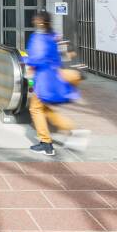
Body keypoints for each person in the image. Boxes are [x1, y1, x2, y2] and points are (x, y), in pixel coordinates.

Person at [24, 10, 90, 156]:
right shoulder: (53, 36)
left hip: (44, 79)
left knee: (35, 108)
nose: (34, 21)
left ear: (40, 21)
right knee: (45, 109)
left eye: (36, 19)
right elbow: (63, 55)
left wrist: (25, 61)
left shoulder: (37, 38)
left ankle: (47, 144)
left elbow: (36, 59)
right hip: (54, 76)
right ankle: (74, 131)